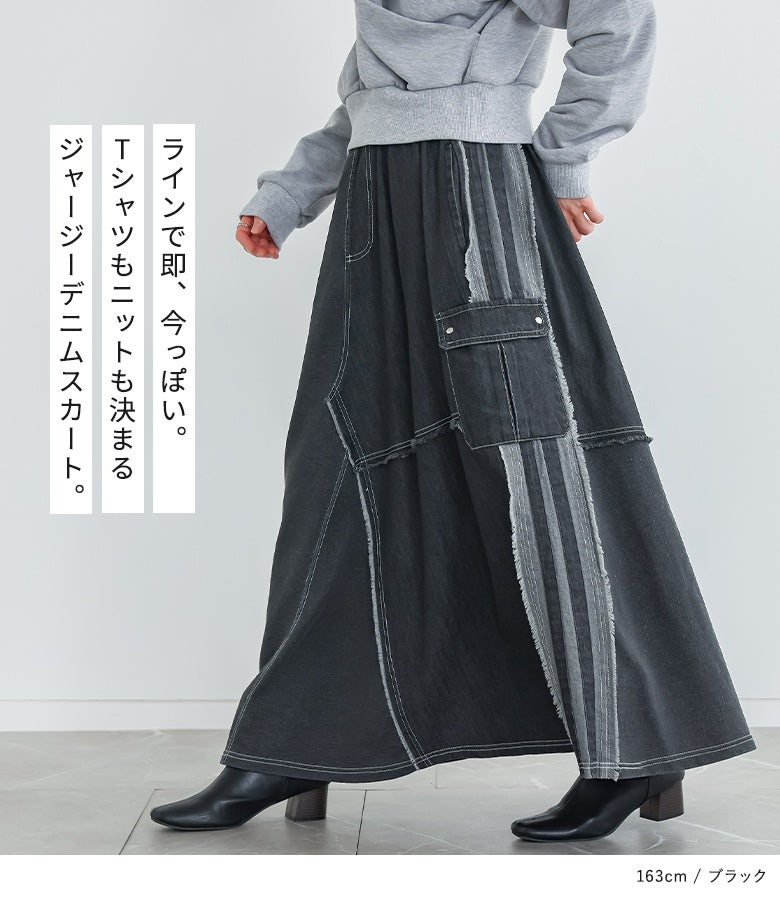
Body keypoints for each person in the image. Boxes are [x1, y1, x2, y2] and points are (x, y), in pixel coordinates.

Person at [150, 0, 756, 843]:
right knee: (338, 468)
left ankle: (636, 747)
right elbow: (374, 97)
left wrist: (564, 156)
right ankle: (294, 742)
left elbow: (616, 17)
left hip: (480, 198)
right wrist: (292, 189)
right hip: (377, 211)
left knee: (541, 469)